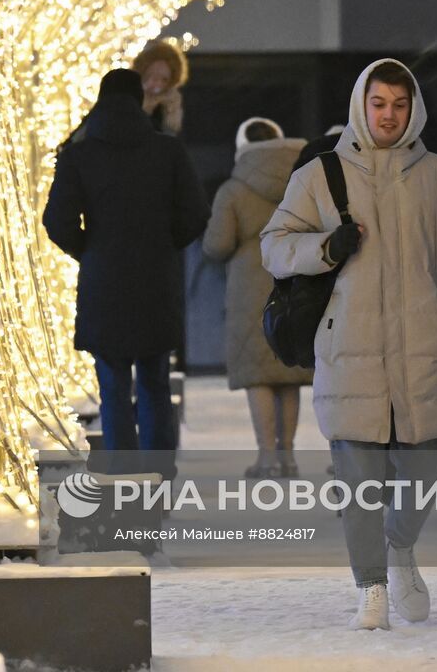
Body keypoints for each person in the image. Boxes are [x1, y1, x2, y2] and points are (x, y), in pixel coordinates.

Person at [262, 59, 437, 631]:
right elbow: (275, 245)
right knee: (358, 479)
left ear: (414, 110)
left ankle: (400, 549)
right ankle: (372, 587)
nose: (388, 115)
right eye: (379, 103)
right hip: (349, 346)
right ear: (362, 104)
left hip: (424, 349)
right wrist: (327, 250)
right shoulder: (320, 173)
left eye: (399, 105)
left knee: (424, 472)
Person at [43, 69, 209, 459]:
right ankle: (159, 483)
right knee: (155, 384)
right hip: (155, 279)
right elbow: (196, 213)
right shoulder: (167, 151)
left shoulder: (79, 154)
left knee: (113, 387)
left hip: (104, 280)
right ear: (138, 100)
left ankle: (125, 484)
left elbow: (57, 221)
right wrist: (167, 244)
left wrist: (89, 249)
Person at [202, 118, 311, 479]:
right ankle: (289, 456)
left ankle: (267, 457)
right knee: (288, 374)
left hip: (250, 288)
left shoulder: (233, 190)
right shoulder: (304, 181)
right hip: (293, 281)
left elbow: (217, 245)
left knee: (259, 376)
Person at [131, 37, 187, 135]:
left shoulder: (172, 101)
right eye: (152, 77)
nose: (157, 84)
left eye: (164, 80)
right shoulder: (130, 99)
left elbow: (172, 134)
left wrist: (171, 111)